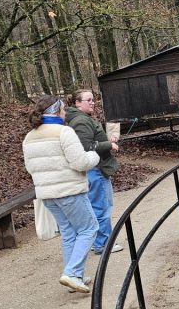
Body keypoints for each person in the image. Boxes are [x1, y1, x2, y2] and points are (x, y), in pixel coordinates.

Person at [23, 95, 100, 293]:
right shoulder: (64, 132)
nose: (66, 113)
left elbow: (30, 167)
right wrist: (94, 155)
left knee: (68, 233)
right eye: (64, 109)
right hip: (69, 191)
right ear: (57, 111)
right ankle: (72, 273)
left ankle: (75, 277)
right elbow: (80, 162)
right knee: (89, 228)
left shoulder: (29, 136)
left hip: (47, 194)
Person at [66, 89, 123, 255]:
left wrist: (107, 140)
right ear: (77, 103)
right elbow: (86, 147)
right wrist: (109, 145)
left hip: (96, 168)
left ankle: (98, 241)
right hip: (95, 169)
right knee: (101, 206)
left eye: (93, 99)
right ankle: (103, 244)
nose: (93, 102)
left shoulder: (82, 118)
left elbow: (92, 141)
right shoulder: (80, 121)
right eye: (88, 100)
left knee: (98, 205)